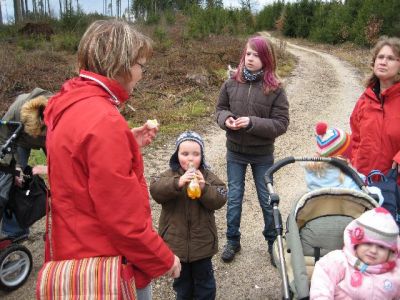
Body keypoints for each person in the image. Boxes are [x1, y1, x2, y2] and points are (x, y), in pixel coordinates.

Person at [42, 19, 180, 299]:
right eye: (141, 65)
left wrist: (126, 141)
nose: (142, 74)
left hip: (73, 244)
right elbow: (123, 222)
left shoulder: (71, 102)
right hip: (108, 265)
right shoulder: (105, 121)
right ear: (121, 64)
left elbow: (78, 160)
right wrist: (164, 259)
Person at [215, 36, 289, 264]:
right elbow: (220, 109)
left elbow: (281, 123)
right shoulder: (230, 83)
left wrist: (252, 122)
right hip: (235, 152)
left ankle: (272, 243)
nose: (251, 58)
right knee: (234, 198)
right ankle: (232, 241)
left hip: (262, 154)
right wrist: (226, 119)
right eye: (248, 54)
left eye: (256, 55)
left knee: (267, 199)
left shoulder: (274, 89)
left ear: (266, 58)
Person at [150, 131, 227, 300]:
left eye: (196, 154)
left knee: (205, 284)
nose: (190, 159)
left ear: (202, 156)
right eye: (185, 154)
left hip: (202, 245)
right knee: (182, 287)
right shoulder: (169, 176)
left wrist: (204, 187)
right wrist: (177, 183)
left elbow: (221, 197)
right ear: (176, 155)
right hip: (176, 245)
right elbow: (155, 190)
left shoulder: (208, 177)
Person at [310, 207, 400, 299]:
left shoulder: (395, 272)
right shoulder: (339, 261)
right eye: (368, 243)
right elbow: (321, 287)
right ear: (356, 242)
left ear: (390, 251)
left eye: (381, 247)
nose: (373, 251)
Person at [0, 88, 51, 239]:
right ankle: (15, 232)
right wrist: (14, 167)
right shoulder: (16, 111)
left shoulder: (61, 112)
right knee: (14, 181)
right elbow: (3, 138)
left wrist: (53, 168)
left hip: (53, 140)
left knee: (63, 180)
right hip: (21, 142)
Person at [350, 36, 400, 178]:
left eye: (390, 58)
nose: (383, 62)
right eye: (380, 57)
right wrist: (355, 164)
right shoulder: (365, 100)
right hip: (366, 183)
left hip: (395, 186)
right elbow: (356, 139)